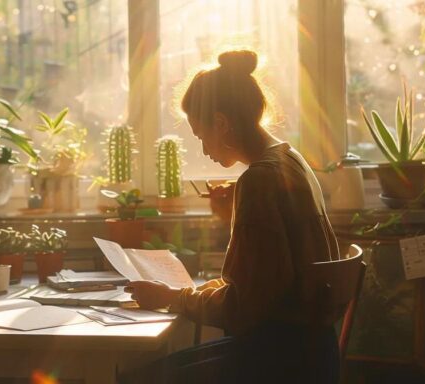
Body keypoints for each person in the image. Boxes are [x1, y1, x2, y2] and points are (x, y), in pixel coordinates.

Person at [121, 49, 344, 383]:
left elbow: (243, 308)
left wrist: (173, 298)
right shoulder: (289, 159)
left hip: (280, 361)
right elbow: (275, 268)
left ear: (222, 124)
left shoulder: (258, 180)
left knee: (137, 378)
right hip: (312, 352)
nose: (203, 149)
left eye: (200, 135)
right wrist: (236, 215)